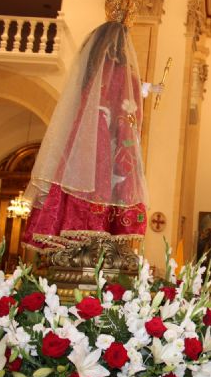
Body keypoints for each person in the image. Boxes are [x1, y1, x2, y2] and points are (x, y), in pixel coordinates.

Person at [22, 16, 159, 250]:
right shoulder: (121, 72)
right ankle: (96, 230)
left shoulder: (91, 69)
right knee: (104, 182)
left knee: (80, 182)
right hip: (106, 138)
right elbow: (127, 101)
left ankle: (71, 226)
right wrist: (147, 90)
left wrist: (145, 88)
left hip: (83, 137)